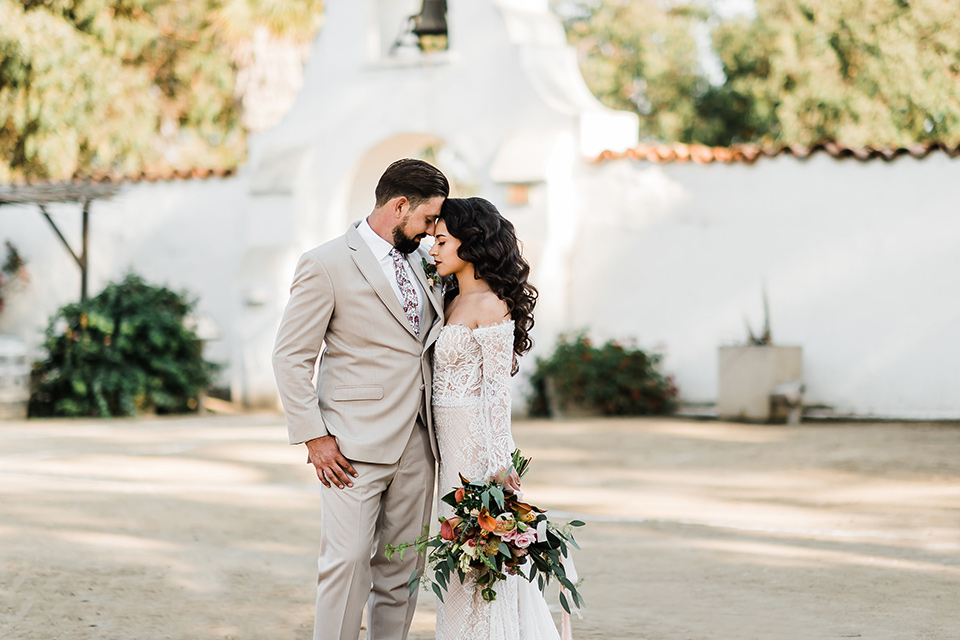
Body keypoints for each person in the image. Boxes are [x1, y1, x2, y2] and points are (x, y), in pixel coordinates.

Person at [272, 158, 449, 640]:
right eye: (428, 218)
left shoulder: (426, 262)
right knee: (346, 564)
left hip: (419, 441)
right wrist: (313, 436)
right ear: (398, 206)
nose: (433, 230)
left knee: (402, 567)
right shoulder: (325, 262)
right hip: (349, 446)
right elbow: (290, 357)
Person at [428, 197, 562, 640]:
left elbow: (496, 399)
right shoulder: (448, 300)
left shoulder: (491, 305)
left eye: (442, 240)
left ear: (471, 244)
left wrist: (500, 471)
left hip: (477, 451)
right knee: (453, 555)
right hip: (445, 448)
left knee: (478, 560)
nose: (433, 248)